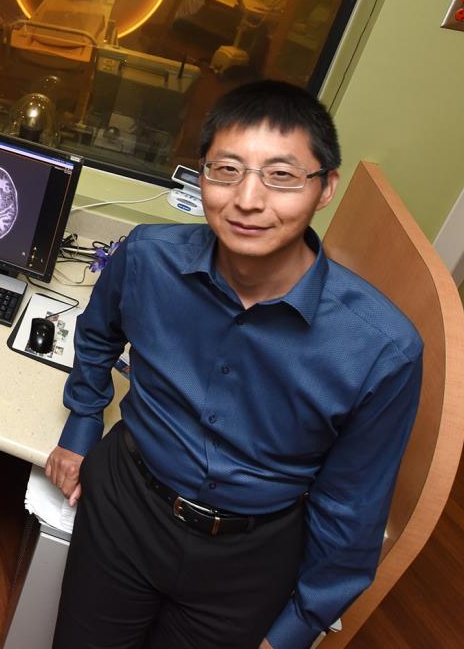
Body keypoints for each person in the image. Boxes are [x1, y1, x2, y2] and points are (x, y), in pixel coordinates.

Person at [45, 80, 423, 649]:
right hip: (126, 505)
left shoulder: (382, 347)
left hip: (251, 556)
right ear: (201, 176)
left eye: (282, 175)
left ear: (325, 189)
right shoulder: (148, 255)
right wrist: (79, 428)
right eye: (226, 171)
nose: (248, 200)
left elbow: (353, 505)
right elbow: (97, 334)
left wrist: (297, 628)